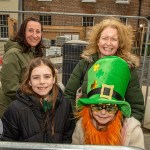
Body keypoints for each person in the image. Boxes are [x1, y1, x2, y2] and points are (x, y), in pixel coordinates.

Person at [64, 17, 145, 123]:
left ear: (120, 43)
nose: (108, 43)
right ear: (97, 41)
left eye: (114, 39)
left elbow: (136, 106)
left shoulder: (127, 68)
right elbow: (68, 95)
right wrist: (79, 120)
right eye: (105, 38)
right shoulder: (85, 63)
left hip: (114, 130)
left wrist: (124, 127)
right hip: (85, 125)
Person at [72, 56, 144, 149]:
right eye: (97, 107)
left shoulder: (132, 132)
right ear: (89, 108)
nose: (103, 112)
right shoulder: (81, 127)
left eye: (110, 108)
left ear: (118, 109)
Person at [1, 57, 75, 143]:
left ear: (53, 79)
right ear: (29, 81)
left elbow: (67, 136)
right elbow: (8, 142)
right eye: (36, 77)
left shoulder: (65, 105)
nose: (42, 81)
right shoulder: (15, 109)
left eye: (47, 77)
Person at [0, 17, 44, 118]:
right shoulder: (13, 54)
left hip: (26, 108)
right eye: (30, 31)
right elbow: (10, 88)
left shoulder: (32, 52)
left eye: (38, 31)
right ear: (22, 32)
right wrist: (37, 94)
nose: (34, 35)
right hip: (10, 111)